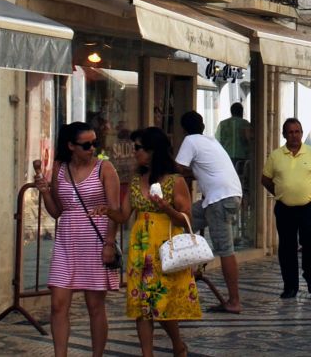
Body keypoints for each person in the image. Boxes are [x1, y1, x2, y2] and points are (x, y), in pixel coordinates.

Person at [103, 127, 199, 357]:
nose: (134, 152)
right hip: (140, 249)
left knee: (162, 303)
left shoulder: (175, 181)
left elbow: (186, 219)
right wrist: (106, 210)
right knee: (141, 306)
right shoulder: (136, 180)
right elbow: (124, 215)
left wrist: (166, 208)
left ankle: (177, 345)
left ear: (153, 151)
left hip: (165, 247)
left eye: (138, 148)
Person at [36, 122, 121, 357]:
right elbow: (56, 211)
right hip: (67, 240)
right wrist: (44, 192)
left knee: (95, 306)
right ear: (71, 145)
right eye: (86, 144)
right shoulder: (59, 168)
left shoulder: (105, 168)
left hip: (96, 239)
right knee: (58, 304)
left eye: (95, 143)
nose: (92, 148)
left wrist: (109, 243)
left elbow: (115, 209)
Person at [176, 111, 244, 314]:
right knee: (181, 223)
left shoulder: (190, 140)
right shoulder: (210, 140)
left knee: (225, 249)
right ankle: (187, 275)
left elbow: (178, 168)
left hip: (219, 200)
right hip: (223, 197)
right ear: (203, 125)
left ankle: (234, 301)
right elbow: (198, 168)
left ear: (183, 129)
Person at [261, 117, 311, 298]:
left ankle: (310, 277)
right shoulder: (275, 156)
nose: (294, 135)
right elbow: (265, 179)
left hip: (309, 209)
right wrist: (282, 192)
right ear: (284, 135)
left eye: (297, 131)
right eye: (290, 132)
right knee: (287, 248)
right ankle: (290, 286)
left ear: (301, 133)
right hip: (285, 209)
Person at [215, 101, 252, 181]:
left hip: (226, 156)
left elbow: (217, 140)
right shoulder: (246, 124)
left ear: (231, 112)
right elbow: (250, 140)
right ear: (242, 112)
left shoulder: (223, 124)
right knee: (240, 179)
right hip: (243, 157)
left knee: (228, 178)